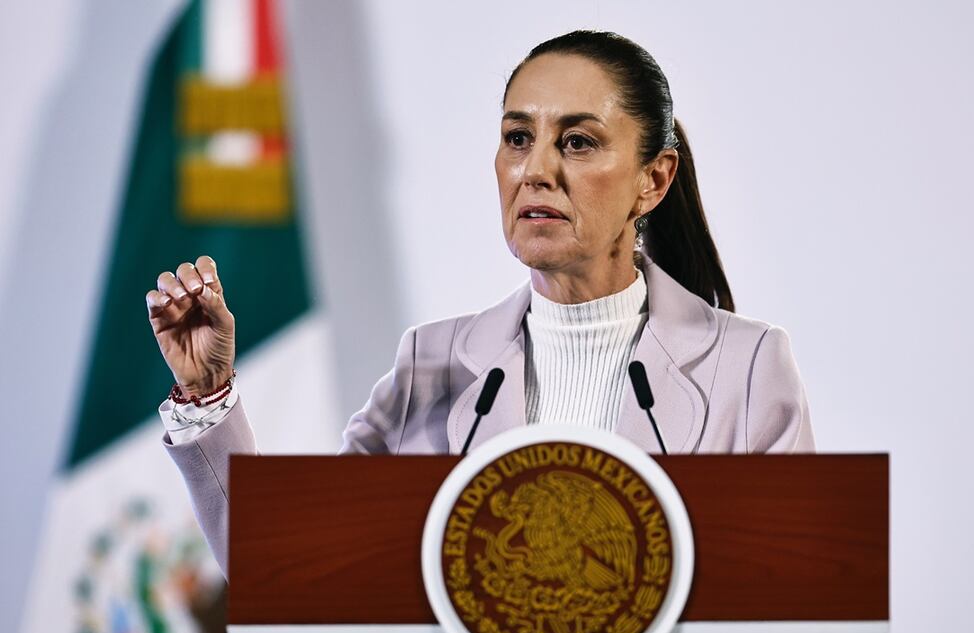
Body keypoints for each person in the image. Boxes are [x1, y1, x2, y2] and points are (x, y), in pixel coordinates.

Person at [146, 31, 815, 574]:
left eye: (577, 142)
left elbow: (805, 612)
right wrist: (208, 396)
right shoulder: (431, 366)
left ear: (653, 179)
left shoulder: (746, 368)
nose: (535, 171)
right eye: (518, 138)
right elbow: (286, 567)